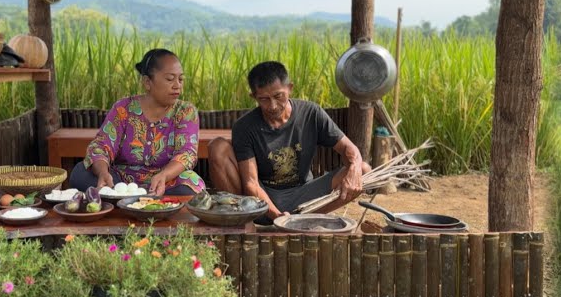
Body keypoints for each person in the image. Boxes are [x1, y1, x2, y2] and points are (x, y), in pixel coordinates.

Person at [207, 61, 368, 221]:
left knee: (363, 169)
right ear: (254, 96)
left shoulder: (311, 113)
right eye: (264, 99)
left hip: (306, 197)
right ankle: (241, 219)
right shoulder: (244, 126)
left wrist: (354, 168)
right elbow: (251, 184)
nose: (273, 105)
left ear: (290, 88)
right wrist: (277, 216)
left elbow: (350, 149)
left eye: (278, 96)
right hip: (259, 204)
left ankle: (301, 219)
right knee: (217, 147)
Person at [69, 48, 206, 197]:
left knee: (190, 183)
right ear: (147, 82)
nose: (177, 85)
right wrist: (103, 172)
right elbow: (102, 145)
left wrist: (164, 175)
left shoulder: (185, 111)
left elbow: (186, 153)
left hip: (166, 180)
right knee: (80, 173)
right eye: (170, 79)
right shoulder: (123, 109)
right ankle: (134, 197)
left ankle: (127, 199)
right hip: (121, 180)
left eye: (180, 79)